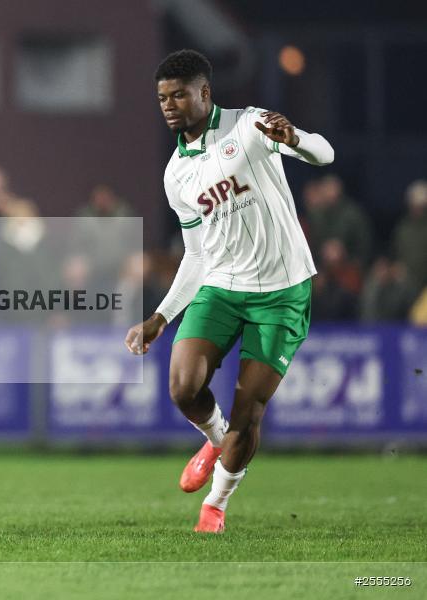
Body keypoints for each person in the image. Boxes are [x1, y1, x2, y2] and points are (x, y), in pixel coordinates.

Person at [124, 50, 334, 533]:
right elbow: (196, 254)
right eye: (162, 98)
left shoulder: (250, 125)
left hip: (283, 290)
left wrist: (296, 139)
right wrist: (160, 316)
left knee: (249, 409)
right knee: (182, 387)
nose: (170, 105)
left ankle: (215, 506)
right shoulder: (176, 173)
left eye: (179, 94)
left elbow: (326, 153)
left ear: (205, 92)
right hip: (220, 285)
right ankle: (214, 438)